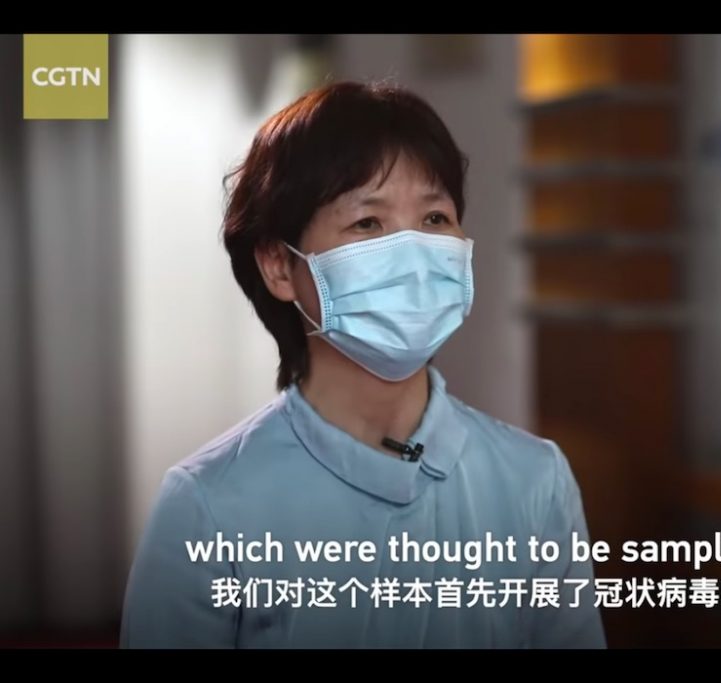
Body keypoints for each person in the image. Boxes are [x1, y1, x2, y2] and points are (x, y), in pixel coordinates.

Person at [119, 80, 607, 649]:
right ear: (279, 266)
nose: (414, 256)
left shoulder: (534, 480)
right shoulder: (208, 504)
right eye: (367, 224)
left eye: (435, 219)